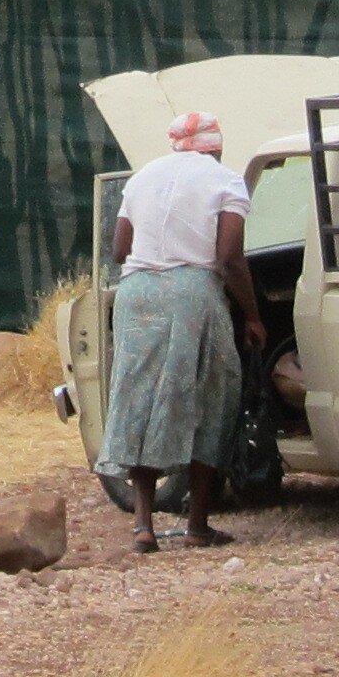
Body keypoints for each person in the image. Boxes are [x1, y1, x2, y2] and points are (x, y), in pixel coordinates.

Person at [99, 109, 266, 553]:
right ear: (217, 147)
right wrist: (251, 316)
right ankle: (196, 525)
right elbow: (229, 258)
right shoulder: (227, 181)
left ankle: (142, 526)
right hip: (192, 293)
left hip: (135, 294)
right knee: (209, 399)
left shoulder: (141, 178)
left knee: (139, 398)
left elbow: (119, 250)